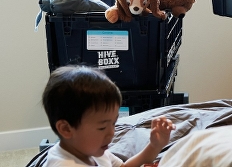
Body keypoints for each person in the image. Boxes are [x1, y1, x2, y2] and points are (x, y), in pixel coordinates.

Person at [41, 65, 175, 167]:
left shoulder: (91, 150)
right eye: (102, 127)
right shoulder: (64, 164)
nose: (112, 132)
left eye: (114, 123)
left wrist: (154, 145)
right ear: (66, 129)